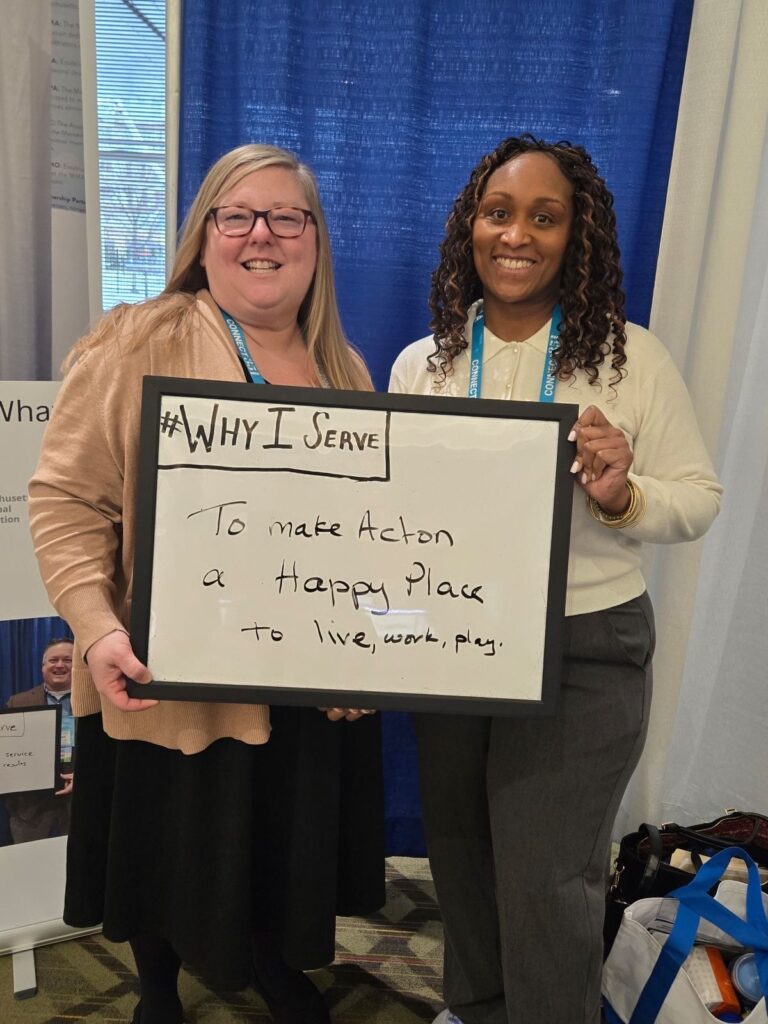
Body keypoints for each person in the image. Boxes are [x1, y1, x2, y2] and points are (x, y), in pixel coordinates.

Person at [29, 144, 385, 1024]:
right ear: (206, 234)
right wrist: (96, 625)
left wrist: (368, 654)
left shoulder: (348, 368)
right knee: (166, 837)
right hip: (168, 672)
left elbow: (379, 538)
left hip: (302, 680)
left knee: (274, 835)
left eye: (286, 217)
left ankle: (270, 959)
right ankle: (158, 987)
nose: (262, 235)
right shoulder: (137, 340)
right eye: (239, 215)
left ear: (315, 239)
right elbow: (65, 497)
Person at [389, 135, 722, 1024]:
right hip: (452, 640)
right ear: (471, 227)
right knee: (461, 850)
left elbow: (697, 501)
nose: (518, 235)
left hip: (583, 647)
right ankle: (480, 1006)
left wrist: (623, 494)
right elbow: (392, 526)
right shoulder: (421, 365)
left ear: (578, 237)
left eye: (546, 217)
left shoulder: (630, 358)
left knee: (546, 873)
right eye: (499, 214)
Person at [4, 636, 74, 843]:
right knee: (27, 866)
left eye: (68, 660)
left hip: (80, 801)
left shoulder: (95, 699)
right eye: (53, 660)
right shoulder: (18, 702)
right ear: (43, 666)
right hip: (30, 806)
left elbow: (106, 748)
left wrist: (86, 775)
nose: (60, 665)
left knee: (78, 867)